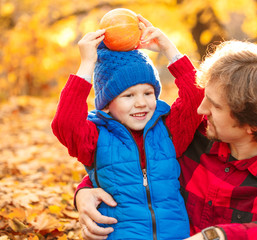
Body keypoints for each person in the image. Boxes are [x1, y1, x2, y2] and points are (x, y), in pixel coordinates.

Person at [74, 40, 257, 240]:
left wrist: (218, 236)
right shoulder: (192, 139)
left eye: (216, 106)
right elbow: (133, 163)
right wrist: (85, 192)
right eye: (205, 97)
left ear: (252, 125)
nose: (201, 110)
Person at [51, 14, 204, 240]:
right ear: (107, 104)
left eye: (148, 92)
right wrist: (86, 65)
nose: (141, 102)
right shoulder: (96, 137)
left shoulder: (169, 130)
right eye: (128, 95)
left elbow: (196, 97)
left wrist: (169, 49)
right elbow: (65, 124)